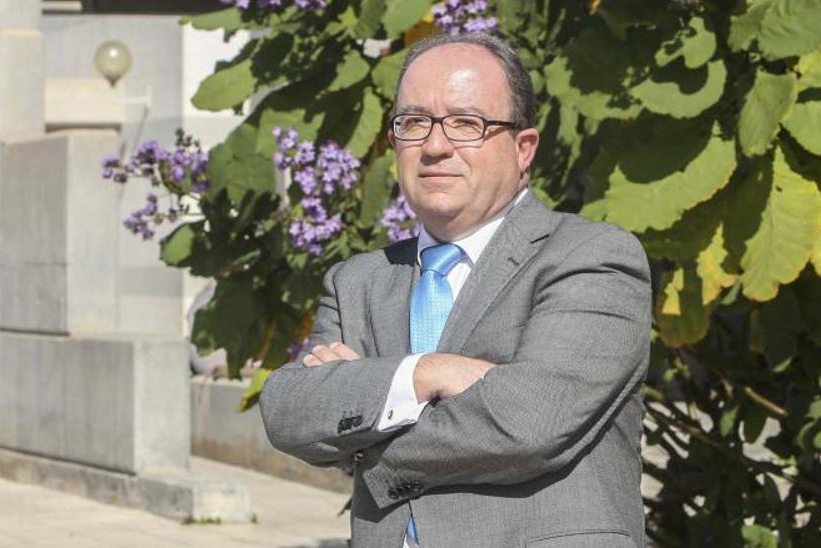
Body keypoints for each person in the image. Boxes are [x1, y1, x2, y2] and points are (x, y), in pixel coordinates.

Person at [260, 33, 651, 547]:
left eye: (467, 123)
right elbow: (290, 410)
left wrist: (365, 428)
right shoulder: (358, 280)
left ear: (523, 148)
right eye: (414, 122)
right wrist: (426, 372)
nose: (436, 146)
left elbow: (531, 421)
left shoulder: (590, 257)